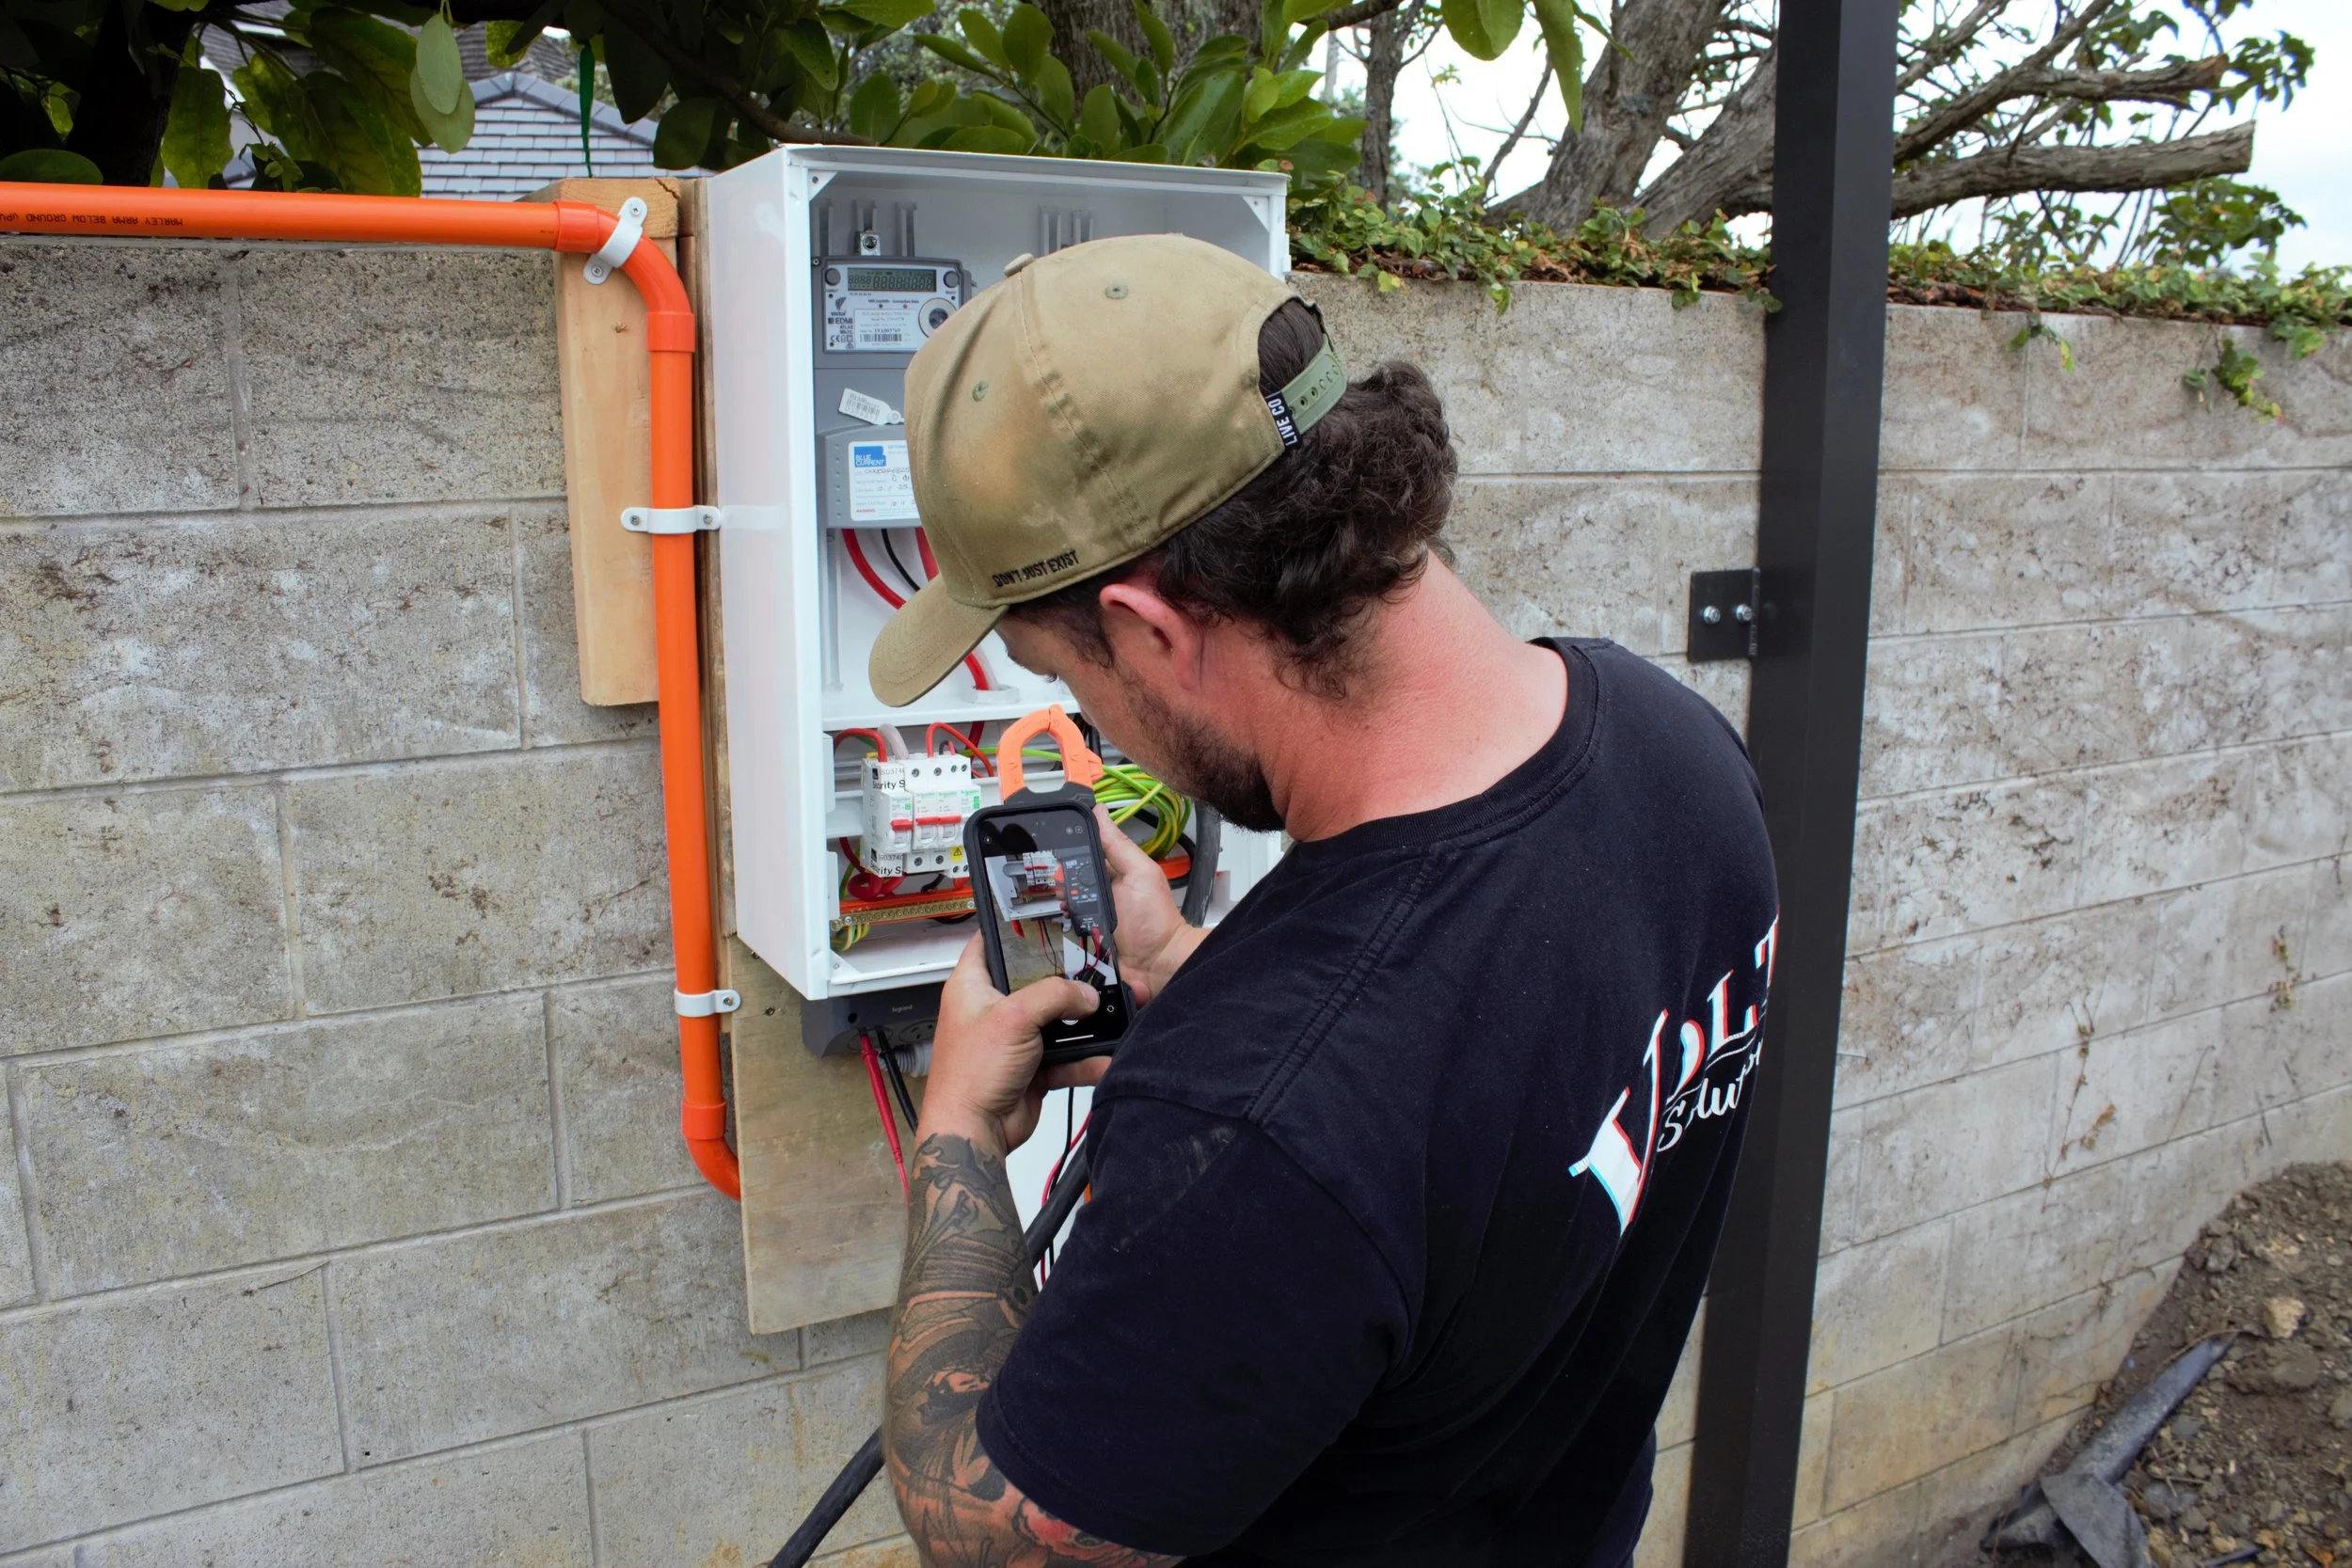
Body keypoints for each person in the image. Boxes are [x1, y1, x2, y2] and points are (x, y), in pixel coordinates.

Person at [869, 232, 1778, 1568]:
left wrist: (956, 1130)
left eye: (1076, 678)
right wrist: (1191, 971)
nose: (1097, 728)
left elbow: (996, 1529)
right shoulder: (1681, 756)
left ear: (1154, 630)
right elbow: (1476, 1064)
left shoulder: (1252, 1129)